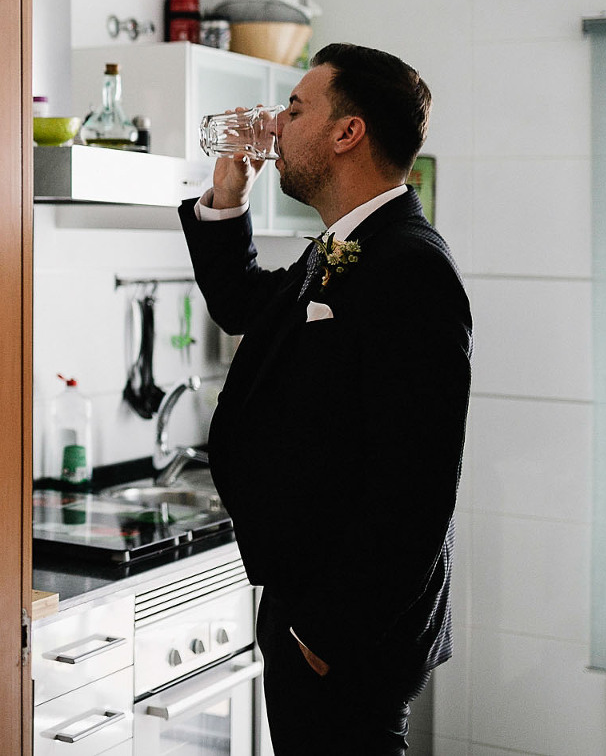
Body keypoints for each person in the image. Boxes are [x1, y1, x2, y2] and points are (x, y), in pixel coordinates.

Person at [178, 43, 471, 755]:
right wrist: (230, 192)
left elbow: (418, 486)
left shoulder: (411, 267)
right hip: (306, 606)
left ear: (348, 133)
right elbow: (244, 302)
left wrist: (327, 629)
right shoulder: (343, 245)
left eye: (297, 107)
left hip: (348, 630)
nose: (275, 124)